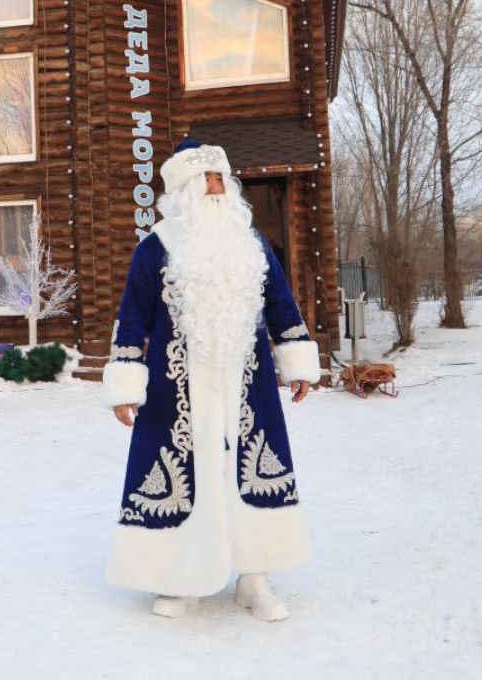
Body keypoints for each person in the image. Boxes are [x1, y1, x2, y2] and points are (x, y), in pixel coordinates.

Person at [102, 137, 320, 621]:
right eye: (208, 180)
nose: (219, 188)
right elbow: (132, 317)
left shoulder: (253, 244)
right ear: (183, 190)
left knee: (251, 473)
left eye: (223, 178)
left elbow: (281, 303)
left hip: (248, 384)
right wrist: (125, 383)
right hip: (174, 391)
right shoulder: (155, 249)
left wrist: (298, 361)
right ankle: (181, 578)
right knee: (184, 476)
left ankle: (255, 579)